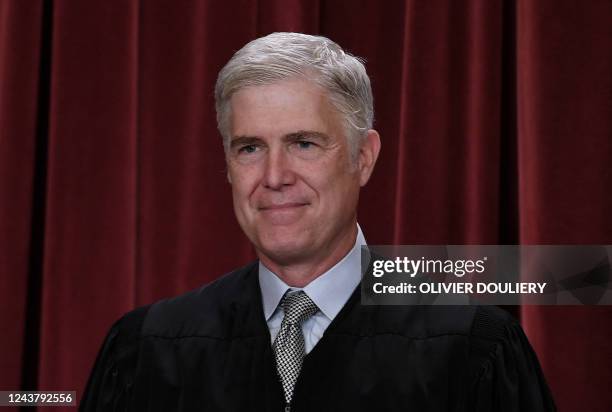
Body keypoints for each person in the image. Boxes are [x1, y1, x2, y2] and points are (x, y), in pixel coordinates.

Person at [80, 32, 555, 411]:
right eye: (250, 147)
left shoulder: (472, 349)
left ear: (363, 158)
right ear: (226, 163)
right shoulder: (147, 350)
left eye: (303, 143)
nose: (274, 177)